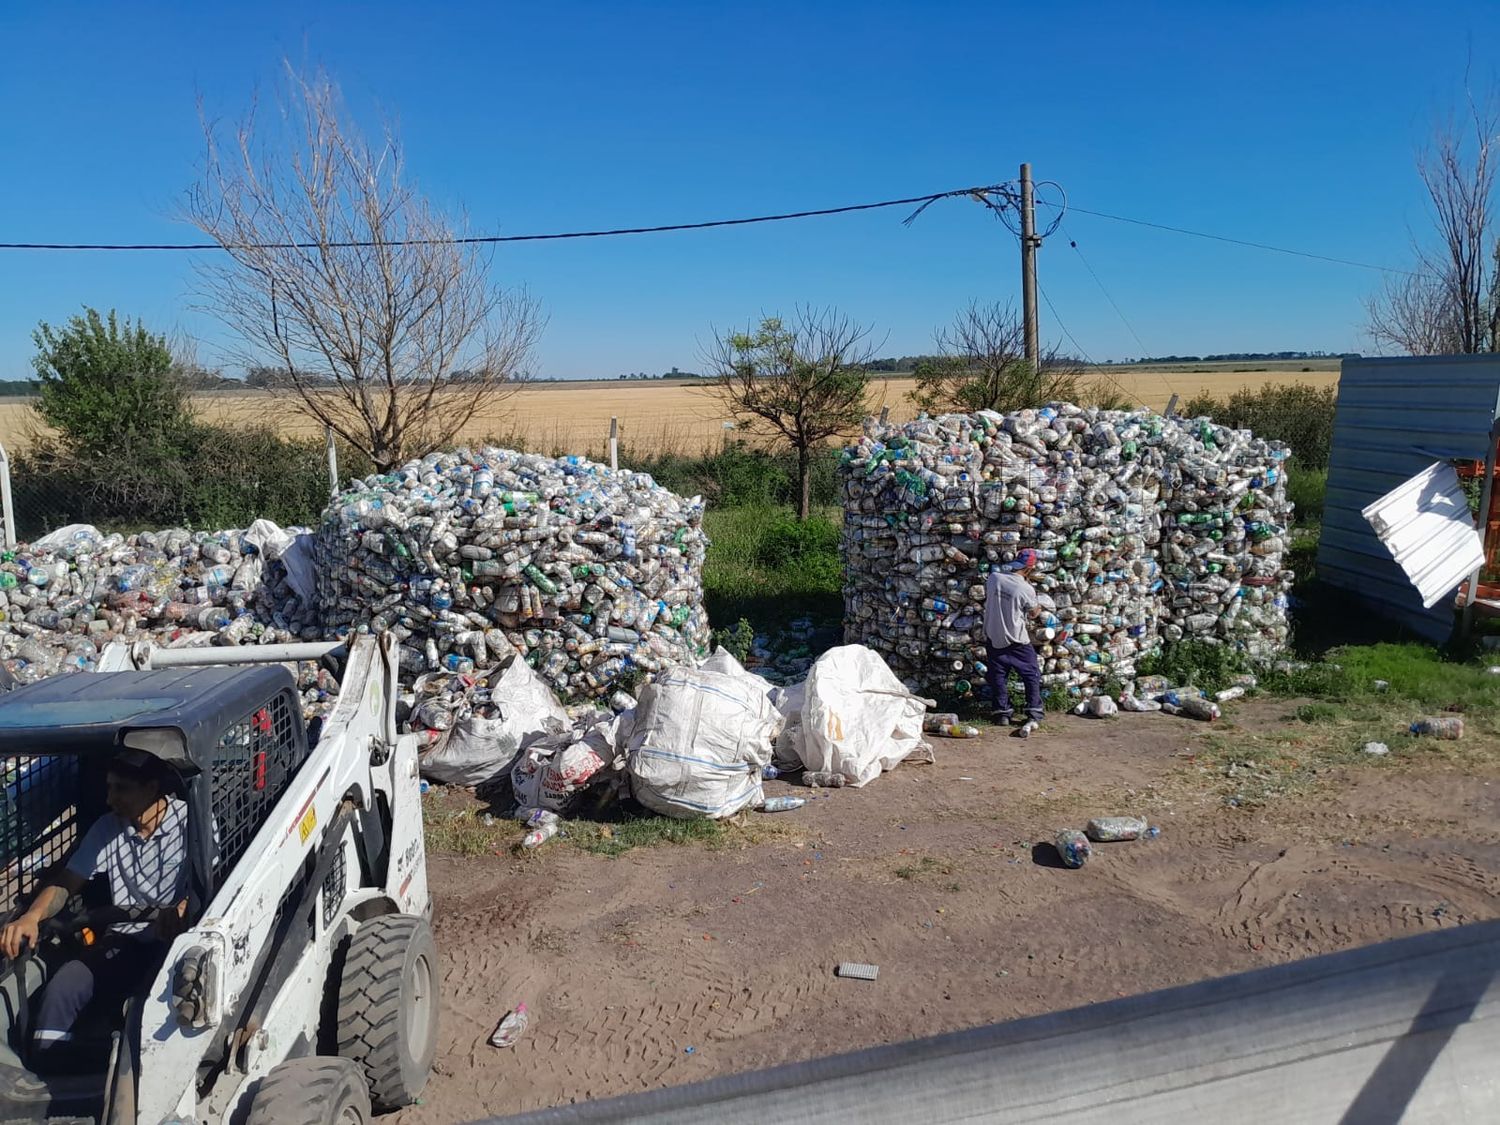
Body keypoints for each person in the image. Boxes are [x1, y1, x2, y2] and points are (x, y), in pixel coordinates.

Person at [0, 749, 189, 1068]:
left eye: (121, 789)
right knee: (65, 984)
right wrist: (32, 916)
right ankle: (49, 1071)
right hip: (123, 940)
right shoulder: (106, 828)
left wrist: (183, 909)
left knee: (149, 1007)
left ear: (152, 788)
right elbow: (66, 882)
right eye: (108, 787)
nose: (111, 798)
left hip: (175, 943)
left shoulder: (190, 822)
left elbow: (211, 878)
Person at [984, 548, 1045, 737]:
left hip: (994, 635)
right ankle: (1033, 710)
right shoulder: (1025, 589)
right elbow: (1034, 613)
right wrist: (1040, 605)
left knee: (998, 676)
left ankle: (1002, 713)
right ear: (1029, 569)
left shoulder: (994, 578)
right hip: (1016, 639)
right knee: (1031, 673)